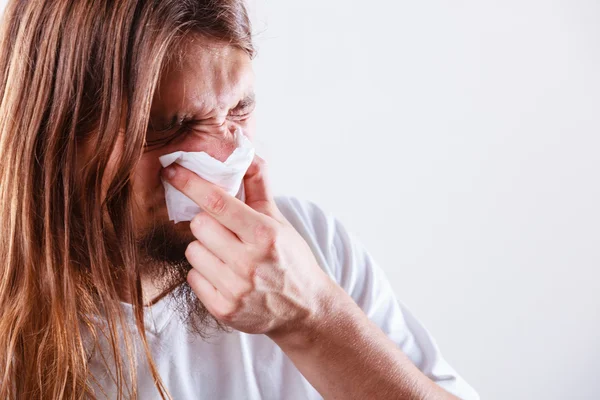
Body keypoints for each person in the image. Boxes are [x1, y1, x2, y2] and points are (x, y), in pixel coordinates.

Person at [0, 0, 479, 399]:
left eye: (239, 110)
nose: (225, 157)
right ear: (56, 135)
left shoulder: (306, 244)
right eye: (171, 127)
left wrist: (313, 317)